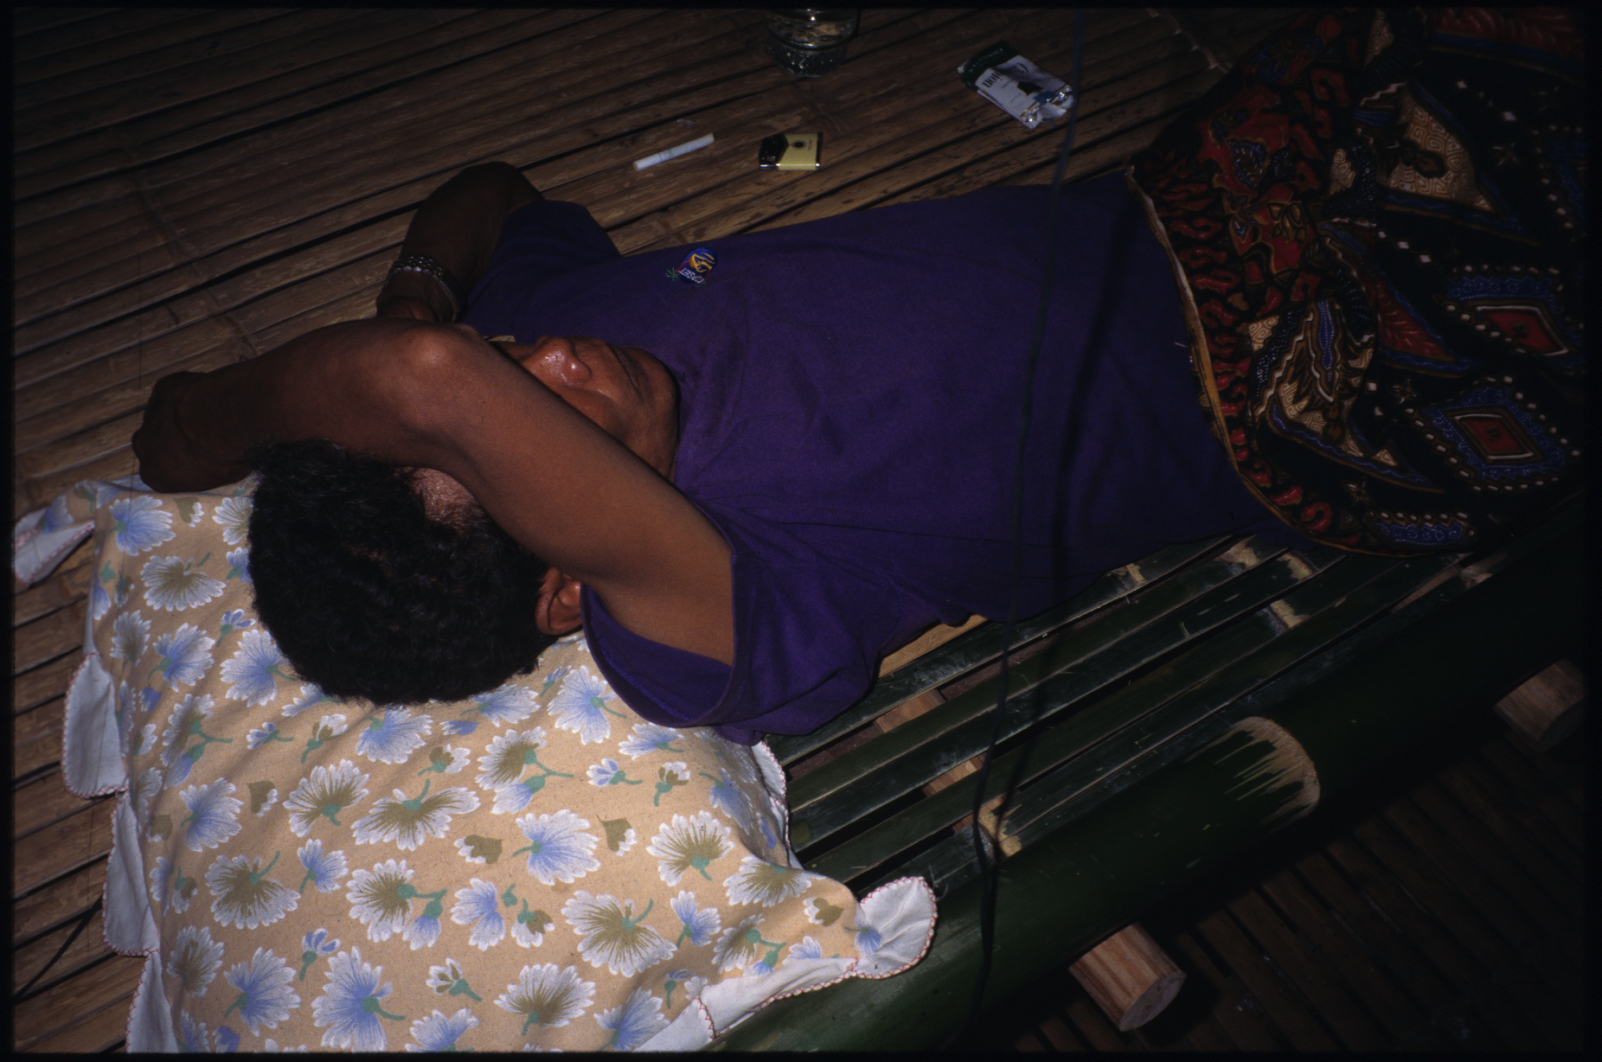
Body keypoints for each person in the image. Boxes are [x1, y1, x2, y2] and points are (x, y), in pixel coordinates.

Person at [133, 7, 1584, 745]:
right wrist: (198, 425)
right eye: (523, 411)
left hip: (1198, 198)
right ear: (565, 585)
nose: (547, 358)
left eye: (507, 352)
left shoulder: (540, 323)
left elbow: (489, 194)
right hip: (1316, 390)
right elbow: (422, 380)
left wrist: (417, 290)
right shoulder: (690, 628)